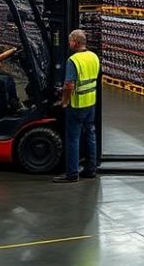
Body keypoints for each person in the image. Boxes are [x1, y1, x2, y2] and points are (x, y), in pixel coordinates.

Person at [53, 30, 100, 183]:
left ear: (75, 41)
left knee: (73, 138)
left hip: (77, 104)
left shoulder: (73, 60)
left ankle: (72, 173)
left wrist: (64, 101)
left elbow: (69, 85)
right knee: (90, 135)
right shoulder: (94, 56)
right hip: (91, 102)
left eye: (69, 40)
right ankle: (91, 169)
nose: (68, 43)